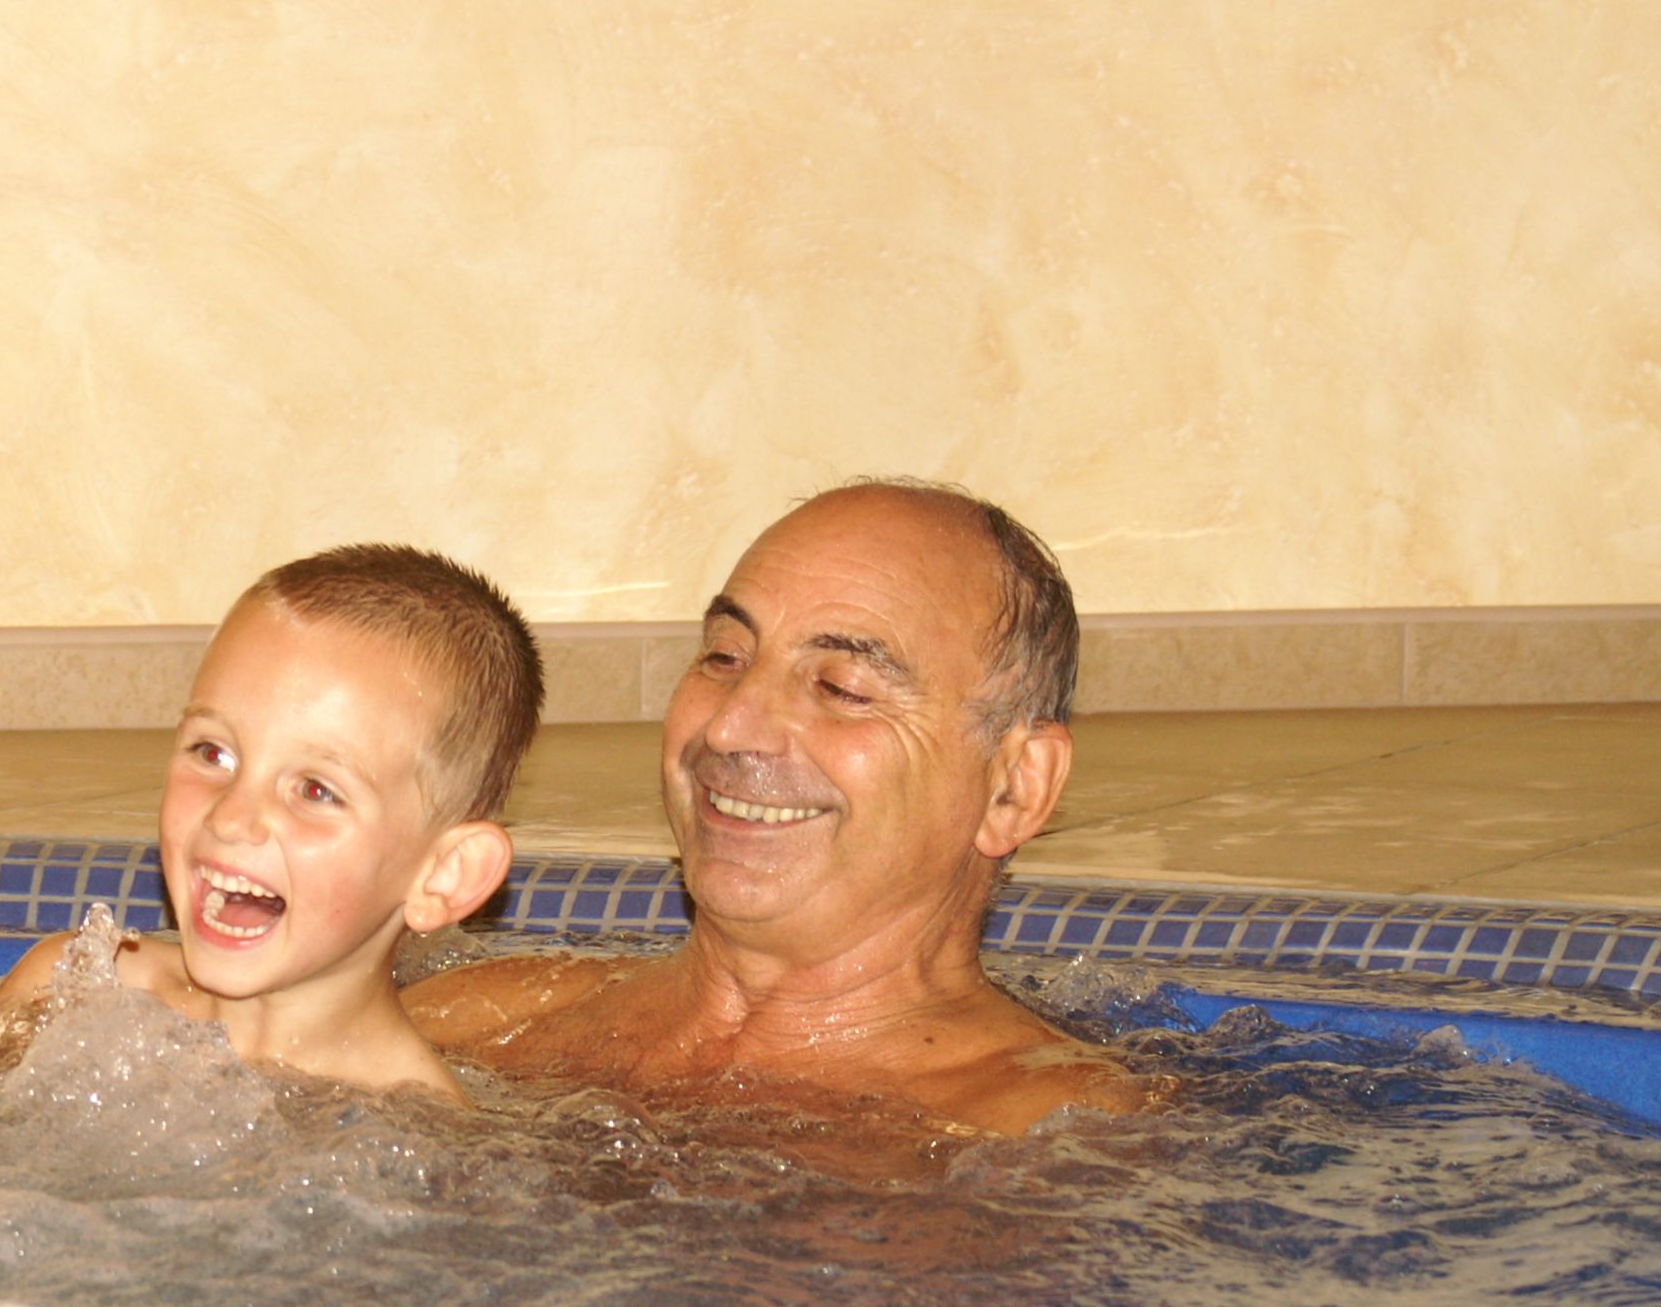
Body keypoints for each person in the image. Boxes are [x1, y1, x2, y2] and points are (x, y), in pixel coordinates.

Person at [406, 480, 1141, 1133]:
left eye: (842, 688)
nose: (730, 727)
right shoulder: (478, 1017)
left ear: (1015, 788)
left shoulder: (1039, 1131)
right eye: (724, 657)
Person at [0, 545, 542, 1099]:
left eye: (316, 790)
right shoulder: (72, 991)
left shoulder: (421, 1123)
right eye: (212, 753)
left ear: (445, 876)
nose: (231, 818)